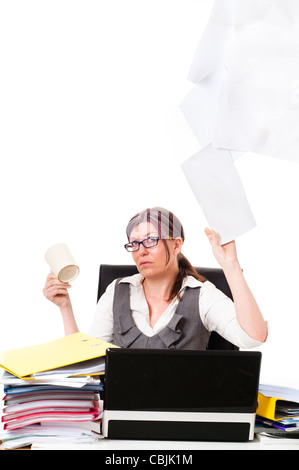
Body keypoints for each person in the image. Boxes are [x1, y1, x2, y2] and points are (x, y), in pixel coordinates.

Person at [43, 207, 267, 349]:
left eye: (151, 240)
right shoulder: (117, 290)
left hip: (184, 416)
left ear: (177, 244)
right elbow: (88, 364)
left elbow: (254, 337)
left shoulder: (201, 294)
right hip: (123, 416)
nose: (141, 251)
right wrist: (65, 307)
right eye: (134, 243)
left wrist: (231, 266)